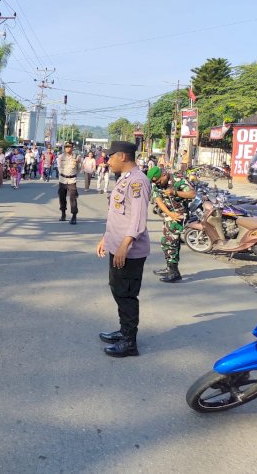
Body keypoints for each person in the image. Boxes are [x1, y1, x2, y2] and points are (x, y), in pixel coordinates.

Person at [96, 141, 151, 358]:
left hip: (129, 250)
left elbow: (138, 219)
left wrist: (124, 246)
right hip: (117, 245)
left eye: (110, 157)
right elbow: (117, 215)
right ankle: (123, 330)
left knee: (127, 294)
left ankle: (130, 341)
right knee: (118, 289)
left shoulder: (138, 181)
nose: (107, 161)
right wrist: (105, 238)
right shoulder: (124, 180)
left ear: (122, 156)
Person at [148, 166, 195, 283]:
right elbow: (158, 199)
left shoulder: (178, 179)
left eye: (159, 181)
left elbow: (192, 194)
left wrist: (175, 192)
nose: (157, 184)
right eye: (155, 182)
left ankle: (174, 272)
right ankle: (170, 268)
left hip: (180, 215)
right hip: (170, 215)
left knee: (171, 242)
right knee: (166, 242)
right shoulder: (156, 184)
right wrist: (169, 213)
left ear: (164, 175)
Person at [57, 142, 81, 224]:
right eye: (66, 147)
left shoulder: (76, 157)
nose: (68, 148)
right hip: (62, 179)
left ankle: (74, 216)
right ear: (64, 148)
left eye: (70, 147)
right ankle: (63, 214)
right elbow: (59, 167)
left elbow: (79, 168)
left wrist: (73, 174)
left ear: (72, 148)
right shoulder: (60, 156)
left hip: (72, 180)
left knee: (73, 198)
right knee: (62, 198)